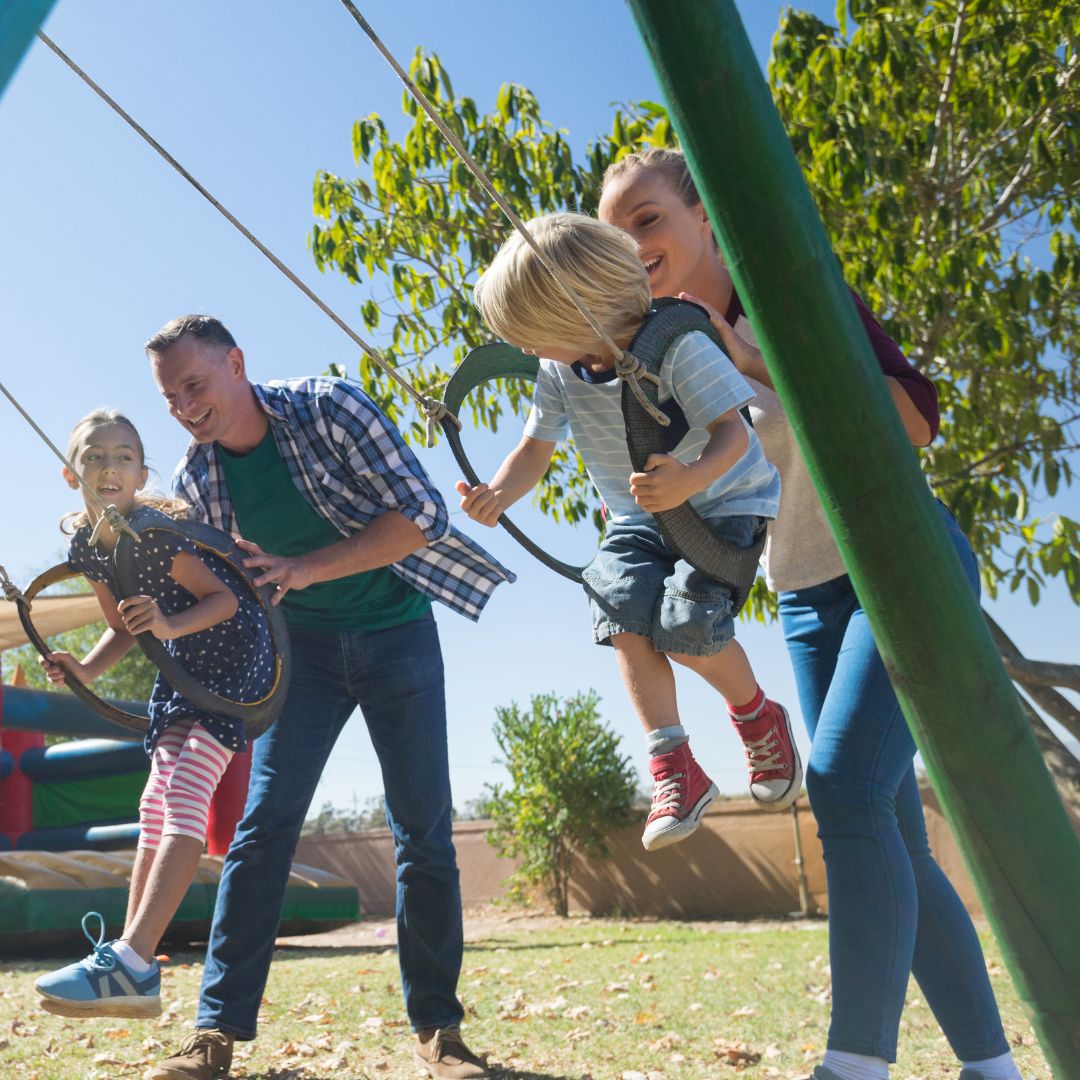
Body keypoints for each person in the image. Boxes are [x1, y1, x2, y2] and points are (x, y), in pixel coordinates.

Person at [599, 148, 1022, 1080]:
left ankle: (853, 1065)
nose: (633, 246)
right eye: (614, 232)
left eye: (648, 219)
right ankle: (996, 1070)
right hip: (804, 601)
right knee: (892, 840)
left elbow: (913, 419)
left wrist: (761, 359)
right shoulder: (650, 354)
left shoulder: (787, 298)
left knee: (838, 787)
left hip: (899, 566)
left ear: (703, 216)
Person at [143, 315, 511, 1080]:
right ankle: (214, 1034)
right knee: (263, 826)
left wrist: (307, 568)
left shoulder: (330, 408)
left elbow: (425, 515)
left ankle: (440, 1033)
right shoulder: (198, 478)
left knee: (423, 832)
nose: (184, 404)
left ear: (237, 363)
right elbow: (228, 594)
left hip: (397, 633)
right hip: (298, 658)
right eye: (170, 394)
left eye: (194, 384)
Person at [460, 211, 802, 855]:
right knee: (619, 611)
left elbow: (734, 434)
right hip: (638, 516)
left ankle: (758, 717)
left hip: (725, 499)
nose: (528, 351)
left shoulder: (678, 347)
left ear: (574, 314)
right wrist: (499, 493)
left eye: (531, 335)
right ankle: (674, 766)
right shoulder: (560, 373)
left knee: (688, 629)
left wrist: (688, 480)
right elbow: (534, 451)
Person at [34, 409, 274, 1020]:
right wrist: (84, 670)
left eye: (122, 457)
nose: (108, 467)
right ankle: (127, 959)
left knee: (189, 789)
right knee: (153, 804)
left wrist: (168, 625)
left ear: (142, 473)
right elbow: (122, 627)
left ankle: (136, 958)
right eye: (94, 456)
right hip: (180, 672)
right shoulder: (89, 546)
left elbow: (223, 599)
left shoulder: (151, 534)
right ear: (71, 474)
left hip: (229, 667)